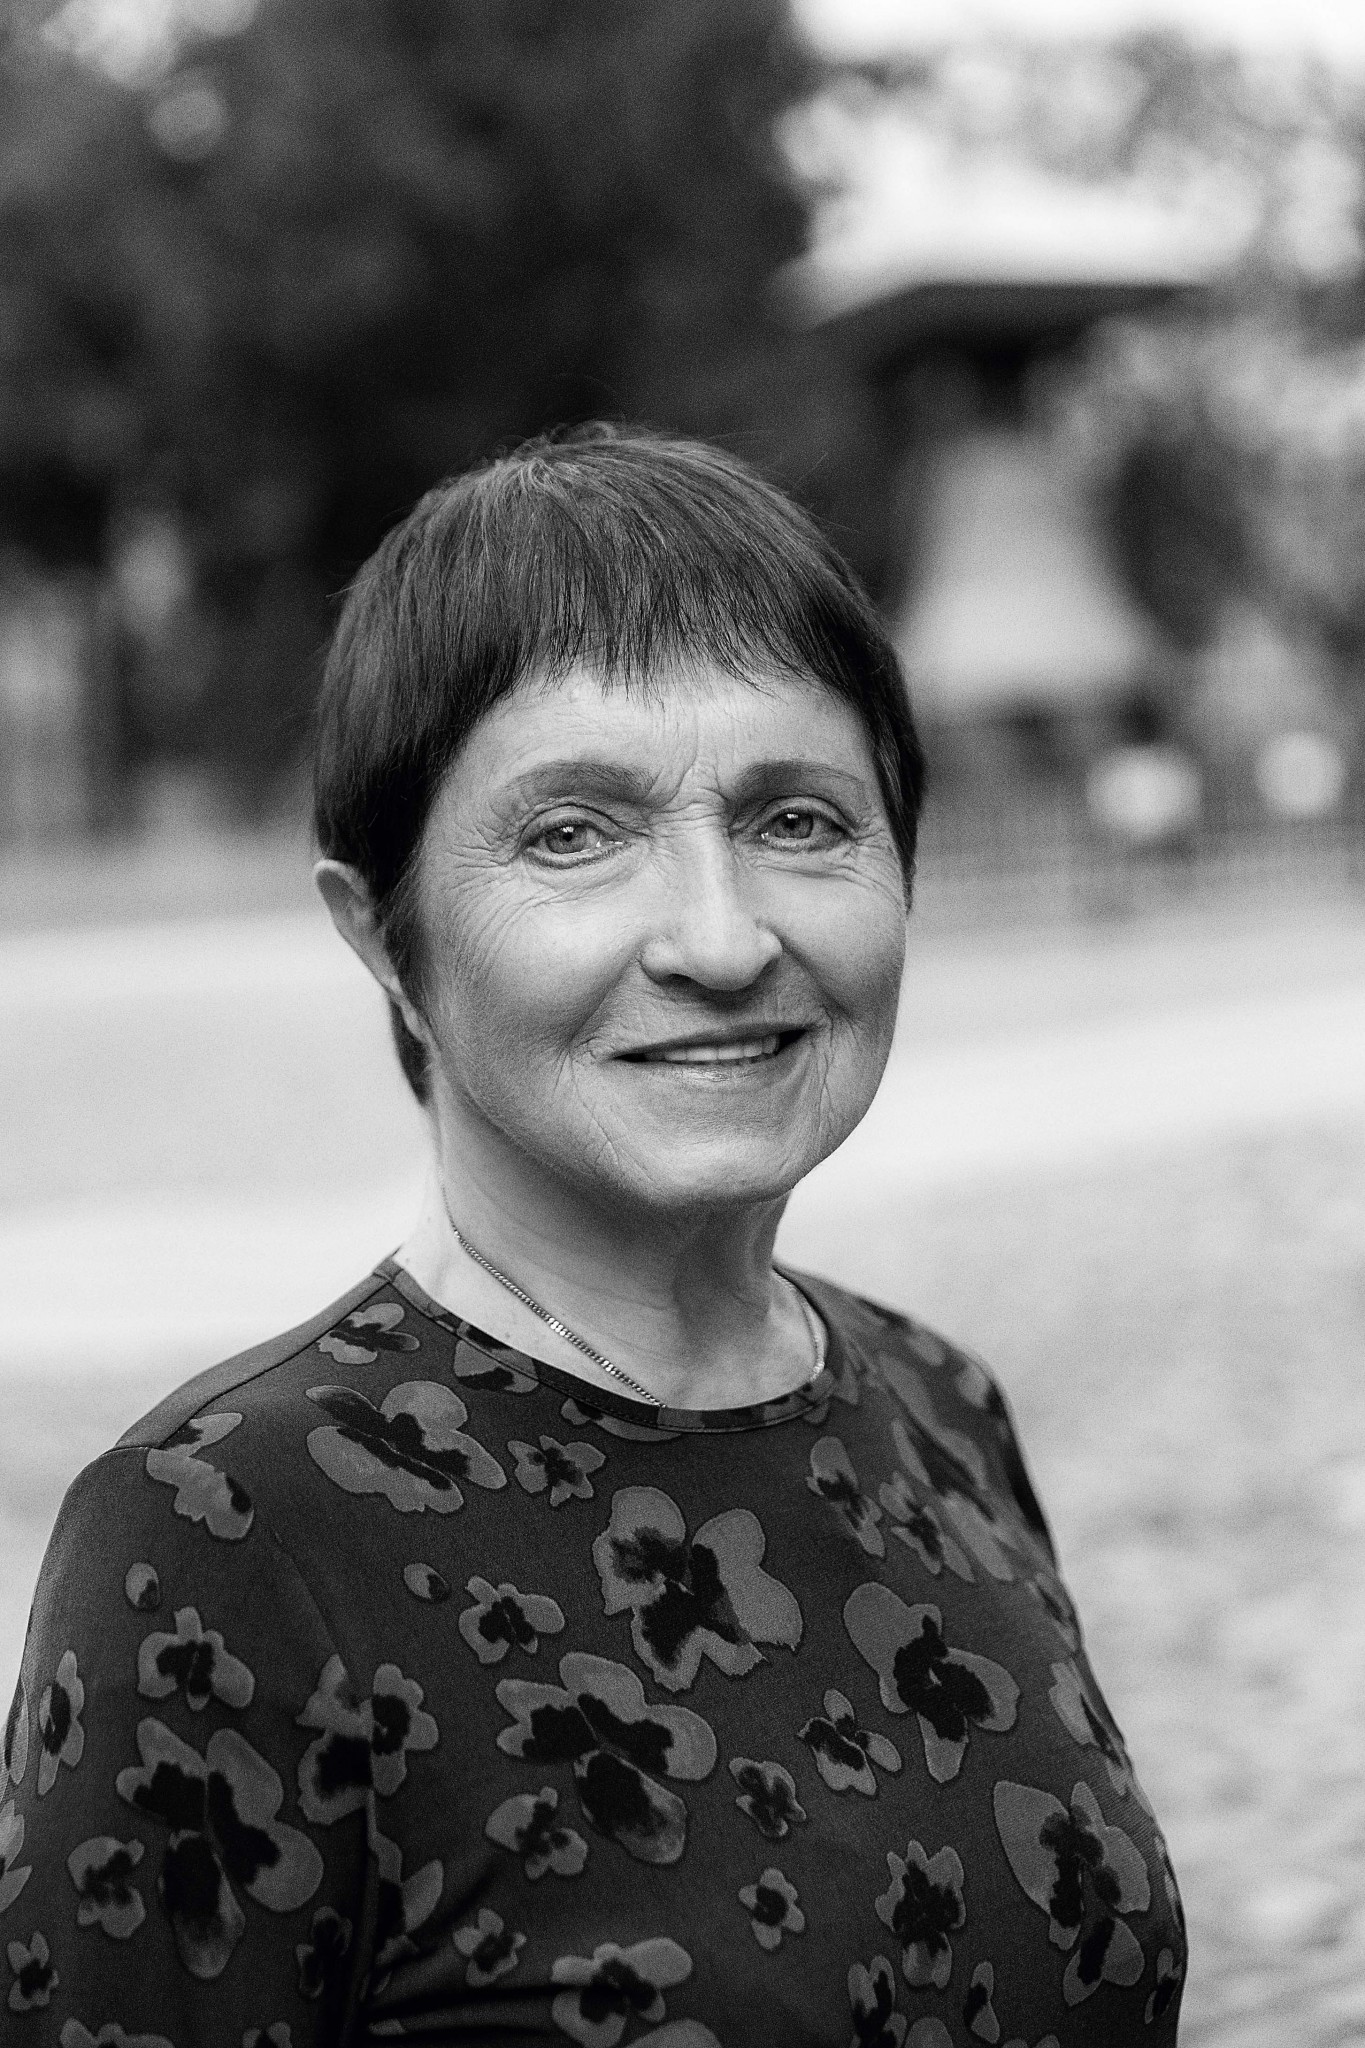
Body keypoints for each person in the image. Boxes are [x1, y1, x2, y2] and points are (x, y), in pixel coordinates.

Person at [2, 429, 1186, 2045]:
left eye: (798, 820)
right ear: (383, 937)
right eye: (573, 833)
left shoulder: (938, 1406)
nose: (720, 937)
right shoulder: (222, 1541)